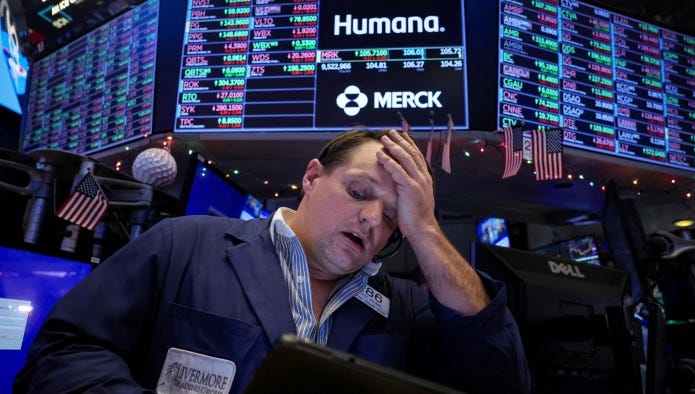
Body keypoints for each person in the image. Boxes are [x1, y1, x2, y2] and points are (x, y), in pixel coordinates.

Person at [14, 129, 530, 393]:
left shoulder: (404, 308)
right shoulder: (184, 244)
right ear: (311, 178)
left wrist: (426, 228)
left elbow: (497, 381)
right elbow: (59, 356)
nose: (373, 218)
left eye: (393, 217)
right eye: (358, 191)